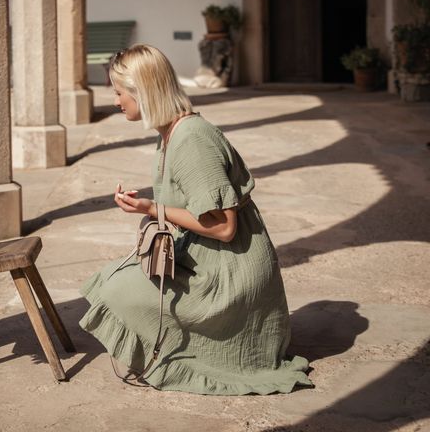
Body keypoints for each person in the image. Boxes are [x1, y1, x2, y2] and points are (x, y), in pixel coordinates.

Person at [78, 44, 312, 395]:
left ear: (142, 92)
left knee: (115, 290)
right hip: (209, 257)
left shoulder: (191, 139)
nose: (115, 100)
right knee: (109, 279)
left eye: (118, 92)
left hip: (230, 273)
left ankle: (211, 353)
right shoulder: (172, 132)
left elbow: (224, 227)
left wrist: (150, 209)